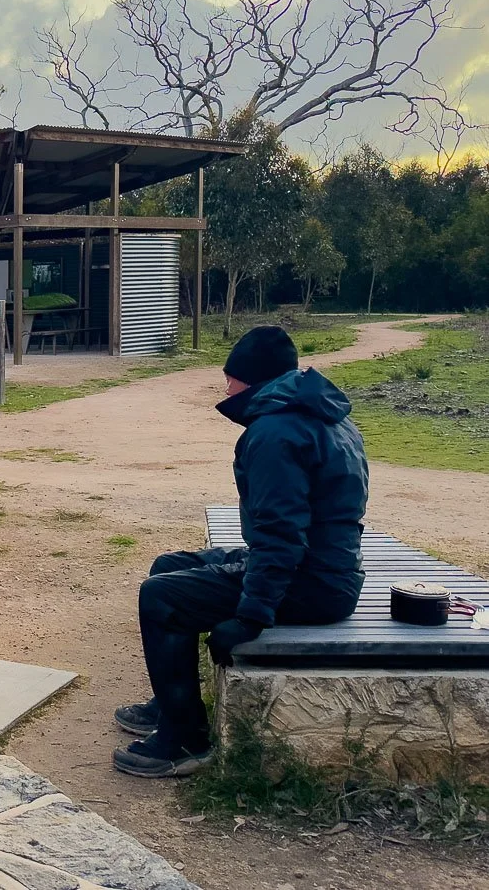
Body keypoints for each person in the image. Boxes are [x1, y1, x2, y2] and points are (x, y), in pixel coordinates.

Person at [112, 326, 368, 777]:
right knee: (169, 567)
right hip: (324, 569)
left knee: (161, 596)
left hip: (311, 583)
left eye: (230, 378)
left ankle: (186, 742)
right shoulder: (320, 414)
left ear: (252, 379)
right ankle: (172, 704)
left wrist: (251, 616)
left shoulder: (275, 432)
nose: (225, 387)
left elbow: (282, 535)